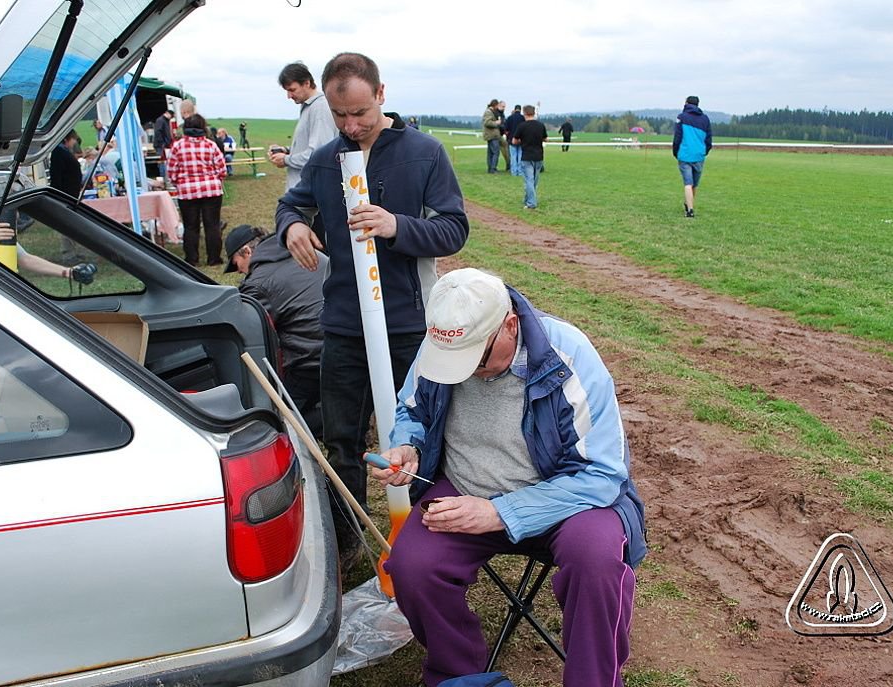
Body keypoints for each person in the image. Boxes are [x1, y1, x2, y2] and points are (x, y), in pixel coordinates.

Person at [373, 268, 646, 687]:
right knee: (412, 567)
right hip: (467, 490)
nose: (463, 373)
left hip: (564, 498)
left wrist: (501, 512)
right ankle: (458, 674)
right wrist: (408, 446)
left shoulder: (568, 356)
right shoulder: (442, 342)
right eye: (453, 363)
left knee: (597, 560)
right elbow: (413, 408)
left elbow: (603, 474)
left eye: (474, 361)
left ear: (510, 327)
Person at [275, 52, 469, 571]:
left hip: (408, 323)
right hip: (343, 324)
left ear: (381, 95)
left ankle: (432, 546)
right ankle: (347, 544)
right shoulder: (324, 160)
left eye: (360, 112)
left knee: (420, 437)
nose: (351, 125)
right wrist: (292, 224)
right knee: (341, 438)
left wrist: (397, 226)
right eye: (340, 116)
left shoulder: (424, 154)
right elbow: (290, 203)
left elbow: (454, 228)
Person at [225, 224, 326, 437]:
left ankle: (331, 421)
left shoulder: (259, 282)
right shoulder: (304, 251)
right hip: (342, 345)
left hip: (310, 360)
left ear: (247, 252)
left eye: (237, 265)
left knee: (279, 418)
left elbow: (250, 327)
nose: (241, 271)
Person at [167, 114, 227, 266]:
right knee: (212, 225)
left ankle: (192, 259)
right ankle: (214, 259)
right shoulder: (210, 145)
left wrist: (178, 183)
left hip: (187, 192)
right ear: (203, 127)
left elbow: (171, 171)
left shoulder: (178, 146)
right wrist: (215, 179)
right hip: (211, 190)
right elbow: (222, 168)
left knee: (191, 226)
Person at [269, 62, 340, 191]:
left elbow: (318, 155)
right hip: (301, 192)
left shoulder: (320, 108)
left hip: (309, 196)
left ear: (307, 83)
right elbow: (311, 145)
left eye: (292, 90)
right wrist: (287, 150)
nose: (289, 96)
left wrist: (286, 160)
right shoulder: (309, 106)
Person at [672, 95, 712, 218]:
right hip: (699, 155)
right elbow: (709, 139)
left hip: (684, 155)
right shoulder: (705, 119)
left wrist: (675, 151)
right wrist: (704, 151)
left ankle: (690, 210)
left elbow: (677, 137)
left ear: (686, 103)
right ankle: (689, 204)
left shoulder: (681, 117)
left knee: (688, 183)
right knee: (694, 184)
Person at [49, 129, 85, 262]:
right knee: (66, 226)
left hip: (70, 194)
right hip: (65, 195)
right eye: (73, 140)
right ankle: (68, 254)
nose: (74, 143)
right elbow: (57, 176)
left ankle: (73, 251)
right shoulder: (59, 152)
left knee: (72, 224)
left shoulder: (63, 151)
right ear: (67, 139)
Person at [512, 105, 548, 210]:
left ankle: (531, 203)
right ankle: (527, 199)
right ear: (534, 113)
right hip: (539, 156)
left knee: (529, 180)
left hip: (527, 156)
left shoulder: (522, 126)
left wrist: (521, 141)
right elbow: (545, 139)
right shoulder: (541, 125)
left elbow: (514, 141)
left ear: (525, 113)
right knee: (534, 181)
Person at [481, 98, 503, 174]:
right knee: (495, 152)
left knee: (491, 152)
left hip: (492, 135)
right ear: (495, 105)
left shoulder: (490, 111)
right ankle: (493, 168)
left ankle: (491, 168)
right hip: (492, 135)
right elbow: (487, 123)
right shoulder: (488, 112)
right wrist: (496, 123)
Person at [153, 108, 174, 181]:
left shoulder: (164, 121)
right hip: (161, 146)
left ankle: (165, 178)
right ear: (167, 113)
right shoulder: (161, 120)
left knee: (164, 161)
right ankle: (163, 178)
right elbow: (158, 132)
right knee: (162, 161)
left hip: (164, 145)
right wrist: (162, 143)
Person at [504, 104, 524, 176]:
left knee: (513, 156)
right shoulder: (523, 118)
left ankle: (514, 172)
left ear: (514, 109)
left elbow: (506, 130)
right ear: (520, 110)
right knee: (520, 156)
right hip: (521, 140)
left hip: (512, 139)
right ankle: (520, 171)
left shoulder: (510, 118)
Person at [497, 100, 511, 172]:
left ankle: (508, 164)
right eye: (503, 106)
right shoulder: (497, 114)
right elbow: (500, 124)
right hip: (498, 134)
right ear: (499, 105)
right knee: (505, 147)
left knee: (504, 148)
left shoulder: (502, 114)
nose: (504, 108)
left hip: (501, 134)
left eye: (504, 107)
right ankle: (509, 164)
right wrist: (505, 129)